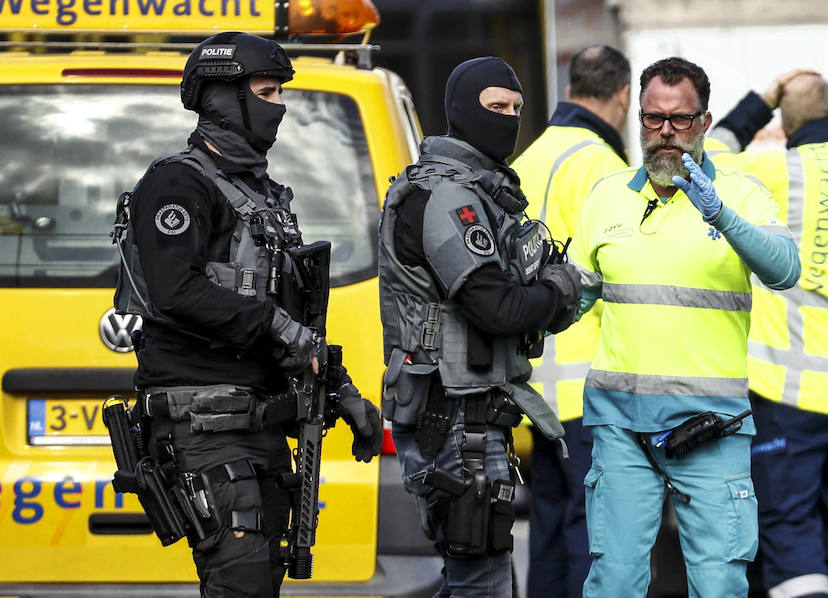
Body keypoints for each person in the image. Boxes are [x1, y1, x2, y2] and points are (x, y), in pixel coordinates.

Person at [115, 32, 382, 598]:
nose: (279, 105)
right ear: (222, 99)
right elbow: (175, 291)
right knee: (239, 583)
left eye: (280, 92)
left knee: (262, 582)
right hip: (203, 425)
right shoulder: (177, 182)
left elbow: (291, 319)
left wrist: (344, 391)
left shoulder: (263, 198)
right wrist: (276, 327)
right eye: (266, 91)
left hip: (260, 423)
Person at [569, 56, 802, 598]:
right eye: (653, 119)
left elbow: (785, 270)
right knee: (614, 582)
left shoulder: (741, 195)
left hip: (710, 427)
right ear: (640, 122)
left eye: (679, 119)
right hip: (621, 426)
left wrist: (719, 212)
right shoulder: (607, 196)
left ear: (703, 121)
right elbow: (573, 298)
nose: (666, 133)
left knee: (720, 585)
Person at [378, 56, 583, 598]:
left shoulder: (472, 189)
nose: (509, 119)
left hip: (466, 416)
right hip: (453, 421)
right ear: (463, 110)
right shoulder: (450, 197)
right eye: (496, 106)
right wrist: (562, 287)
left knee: (474, 577)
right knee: (483, 582)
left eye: (516, 108)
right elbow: (496, 309)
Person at [708, 70, 828, 598]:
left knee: (790, 532)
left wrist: (758, 104)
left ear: (787, 122)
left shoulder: (776, 171)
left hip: (787, 393)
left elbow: (705, 160)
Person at [510, 44, 630, 598]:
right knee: (597, 530)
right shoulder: (603, 165)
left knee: (551, 526)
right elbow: (623, 274)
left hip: (536, 384)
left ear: (570, 88)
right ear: (624, 97)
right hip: (590, 387)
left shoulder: (529, 156)